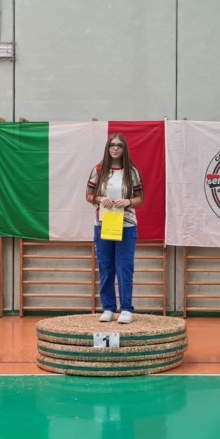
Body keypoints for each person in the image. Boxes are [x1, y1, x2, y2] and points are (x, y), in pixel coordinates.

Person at [86, 133, 144, 324]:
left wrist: (128, 201)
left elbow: (140, 198)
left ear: (124, 149)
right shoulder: (98, 170)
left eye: (119, 145)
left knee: (124, 267)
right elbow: (89, 195)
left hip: (126, 225)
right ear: (108, 148)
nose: (116, 148)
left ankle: (126, 309)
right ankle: (108, 308)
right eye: (112, 145)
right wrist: (100, 198)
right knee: (106, 267)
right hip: (103, 224)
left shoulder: (132, 172)